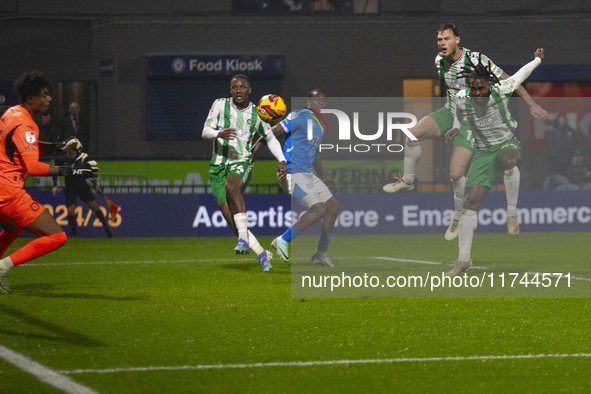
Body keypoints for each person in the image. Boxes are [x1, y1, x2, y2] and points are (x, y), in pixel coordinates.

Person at [383, 23, 547, 241]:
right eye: (440, 39)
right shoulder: (439, 61)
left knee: (455, 174)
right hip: (450, 111)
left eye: (447, 39)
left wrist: (531, 104)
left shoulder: (476, 59)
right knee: (411, 134)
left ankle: (458, 216)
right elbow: (447, 87)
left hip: (469, 118)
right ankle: (408, 178)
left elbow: (511, 80)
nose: (442, 43)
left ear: (457, 40)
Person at [445, 48, 545, 277]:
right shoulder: (463, 98)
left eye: (481, 88)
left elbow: (521, 74)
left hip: (505, 143)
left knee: (509, 161)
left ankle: (511, 212)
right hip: (482, 151)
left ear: (490, 86)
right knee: (470, 203)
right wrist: (456, 128)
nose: (477, 93)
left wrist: (537, 60)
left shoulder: (502, 90)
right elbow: (458, 114)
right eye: (473, 88)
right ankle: (463, 260)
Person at [0, 70, 98, 294]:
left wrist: (58, 146)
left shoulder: (11, 114)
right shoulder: (26, 125)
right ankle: (2, 268)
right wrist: (72, 170)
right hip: (9, 193)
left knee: (13, 228)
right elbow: (33, 168)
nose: (49, 98)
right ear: (32, 98)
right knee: (57, 236)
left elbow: (25, 146)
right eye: (44, 95)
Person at [202, 74, 287, 272]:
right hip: (217, 165)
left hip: (242, 161)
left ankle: (242, 238)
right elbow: (205, 131)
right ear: (230, 90)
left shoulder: (258, 114)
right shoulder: (219, 104)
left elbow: (270, 138)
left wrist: (282, 160)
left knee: (232, 187)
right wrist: (217, 133)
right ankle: (261, 253)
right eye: (234, 87)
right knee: (227, 213)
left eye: (243, 87)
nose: (238, 90)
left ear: (250, 90)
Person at [270, 89, 340, 267]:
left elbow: (314, 152)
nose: (321, 103)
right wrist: (254, 154)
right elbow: (272, 133)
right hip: (292, 172)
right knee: (319, 209)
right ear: (309, 100)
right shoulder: (299, 115)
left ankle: (320, 254)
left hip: (308, 173)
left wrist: (323, 174)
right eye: (317, 99)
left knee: (333, 207)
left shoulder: (320, 124)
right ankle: (283, 240)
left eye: (324, 100)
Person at [52, 149, 113, 238]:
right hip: (70, 188)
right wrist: (55, 185)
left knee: (94, 207)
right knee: (71, 211)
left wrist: (95, 184)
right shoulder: (62, 160)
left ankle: (106, 229)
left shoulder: (82, 158)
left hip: (82, 186)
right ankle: (74, 233)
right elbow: (54, 171)